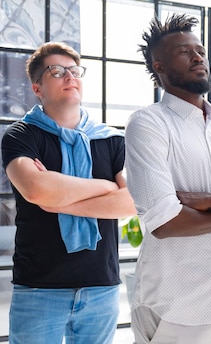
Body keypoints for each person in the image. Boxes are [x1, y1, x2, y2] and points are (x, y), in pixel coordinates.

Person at [125, 14, 211, 344]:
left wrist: (210, 201)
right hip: (175, 307)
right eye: (185, 52)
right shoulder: (148, 124)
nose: (198, 57)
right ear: (160, 67)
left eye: (200, 50)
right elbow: (167, 222)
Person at [1, 41, 136, 344]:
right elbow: (37, 190)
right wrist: (106, 188)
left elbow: (131, 201)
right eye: (57, 71)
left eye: (75, 71)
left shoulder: (111, 140)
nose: (70, 77)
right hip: (39, 287)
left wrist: (59, 199)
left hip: (101, 286)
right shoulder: (21, 135)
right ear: (38, 88)